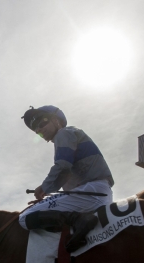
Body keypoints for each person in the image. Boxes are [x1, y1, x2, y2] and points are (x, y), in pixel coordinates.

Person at [20, 105, 115, 252]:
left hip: (91, 192)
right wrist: (46, 195)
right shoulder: (70, 134)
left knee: (25, 216)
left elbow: (63, 166)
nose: (39, 130)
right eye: (36, 131)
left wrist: (43, 188)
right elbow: (65, 174)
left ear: (56, 120)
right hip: (96, 192)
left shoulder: (63, 133)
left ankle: (79, 220)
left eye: (41, 123)